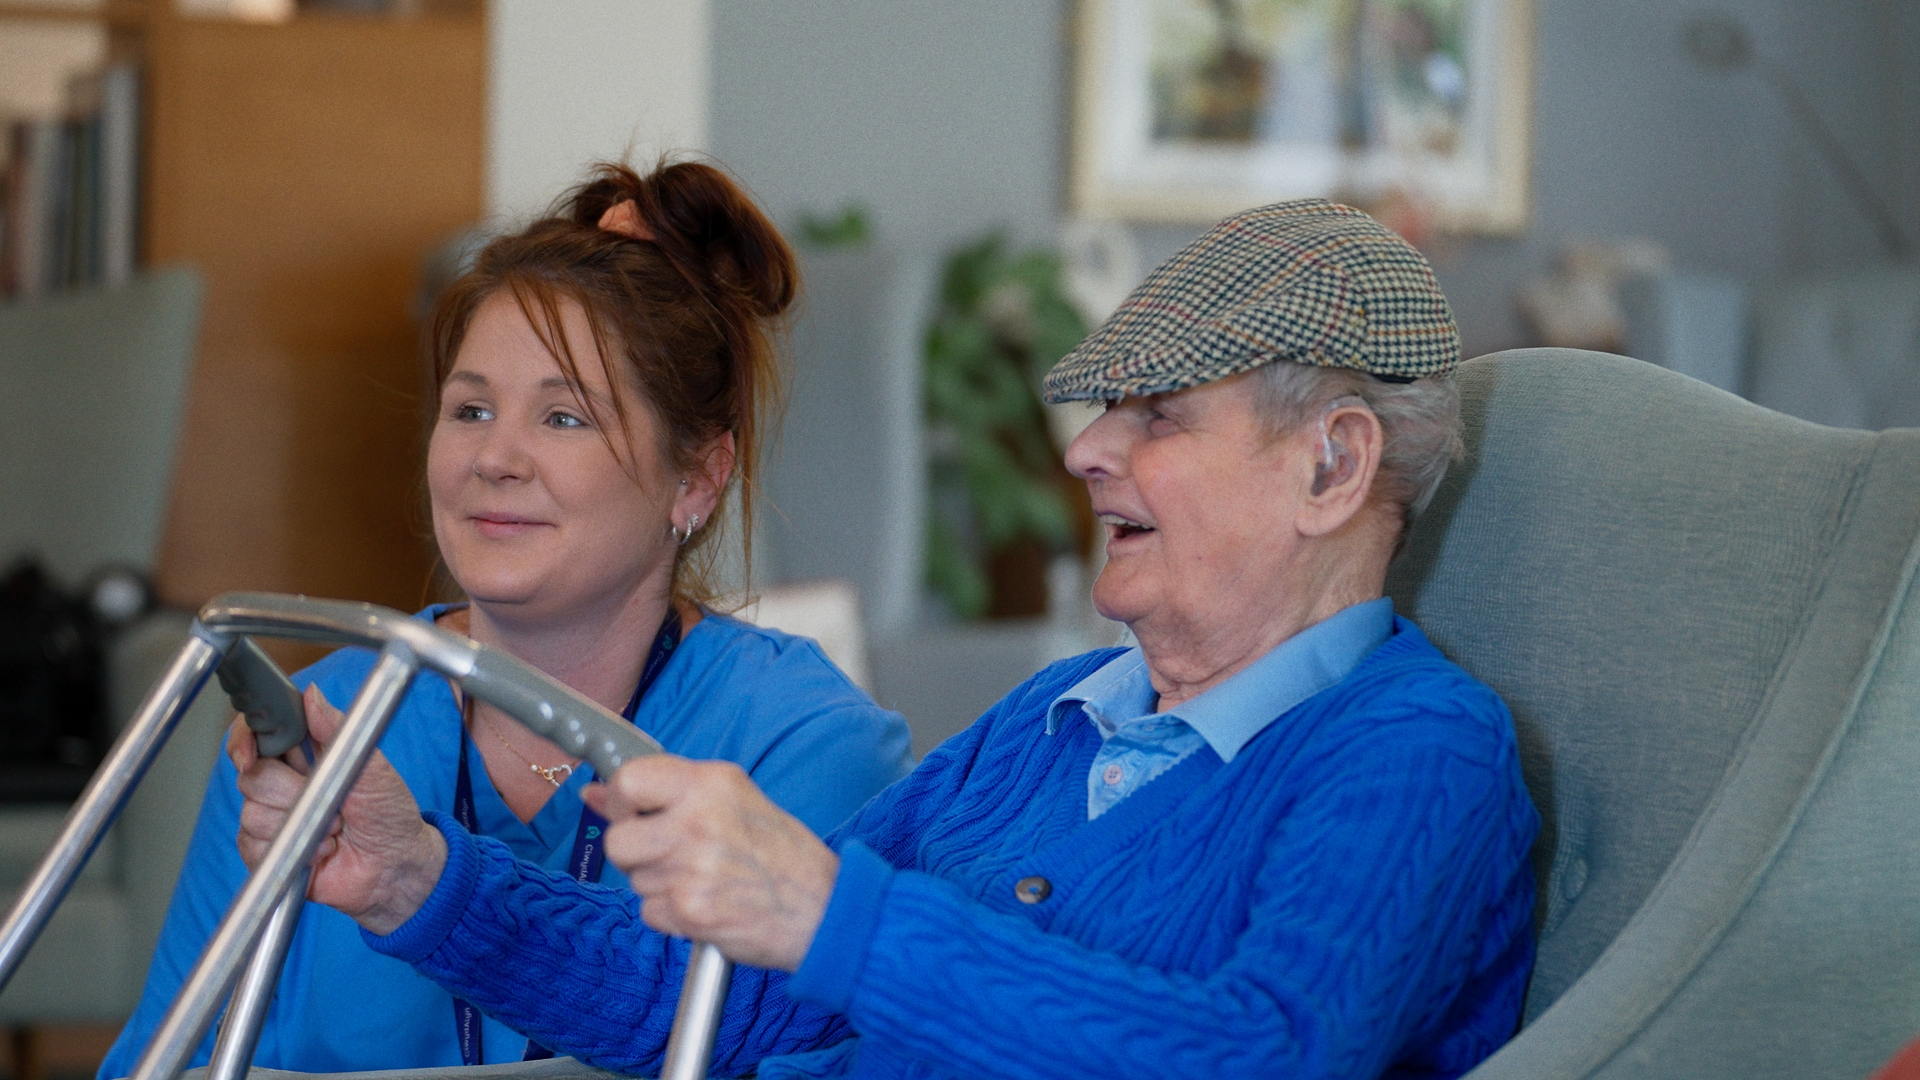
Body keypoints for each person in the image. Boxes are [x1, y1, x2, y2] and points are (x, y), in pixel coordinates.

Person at [234, 200, 1539, 1079]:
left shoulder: (1417, 749)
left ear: (1332, 465)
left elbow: (1267, 1054)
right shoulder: (1057, 714)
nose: (1083, 454)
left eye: (1155, 416)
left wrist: (828, 910)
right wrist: (421, 882)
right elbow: (728, 998)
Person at [100, 160, 913, 1079]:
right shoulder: (321, 721)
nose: (495, 457)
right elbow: (163, 1059)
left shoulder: (800, 745)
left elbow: (787, 1046)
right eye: (470, 408)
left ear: (698, 477)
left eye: (564, 418)